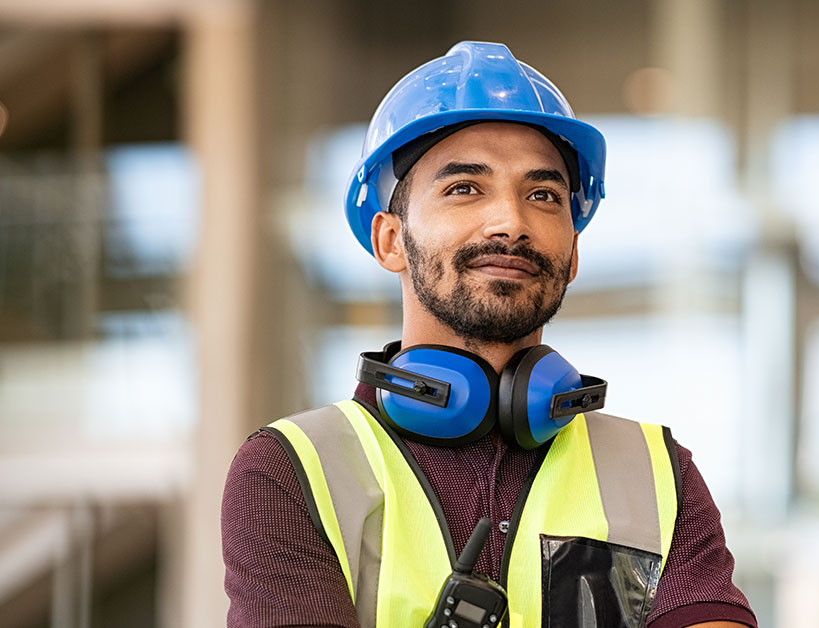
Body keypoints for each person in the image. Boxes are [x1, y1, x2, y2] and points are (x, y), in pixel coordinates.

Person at [221, 41, 756, 628]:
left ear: (573, 253)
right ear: (390, 240)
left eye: (543, 195)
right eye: (465, 188)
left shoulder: (659, 477)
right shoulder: (292, 471)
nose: (511, 222)